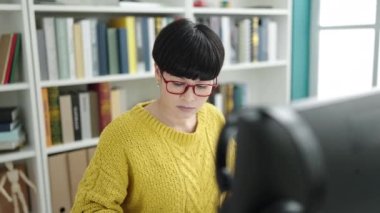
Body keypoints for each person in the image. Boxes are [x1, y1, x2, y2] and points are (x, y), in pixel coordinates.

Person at [72, 18, 227, 212]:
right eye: (178, 84)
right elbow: (89, 207)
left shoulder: (215, 118)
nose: (189, 98)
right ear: (157, 73)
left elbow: (236, 183)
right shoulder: (121, 136)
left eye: (202, 87)